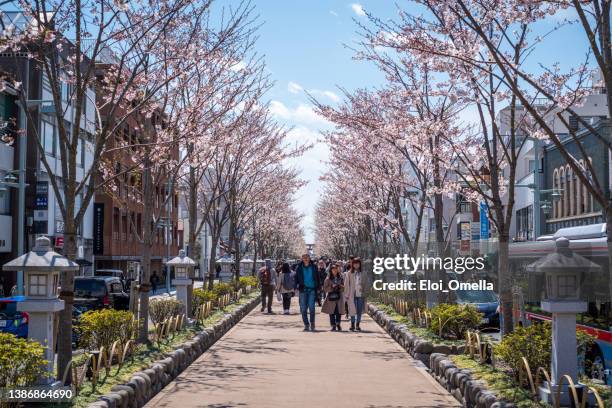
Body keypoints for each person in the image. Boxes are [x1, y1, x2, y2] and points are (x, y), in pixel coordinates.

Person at [295, 253, 321, 331]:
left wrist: (319, 287)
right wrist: (295, 287)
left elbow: (317, 277)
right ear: (302, 259)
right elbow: (296, 278)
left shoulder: (314, 267)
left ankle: (312, 323)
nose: (306, 259)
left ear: (309, 258)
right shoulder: (299, 268)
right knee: (303, 308)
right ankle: (306, 324)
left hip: (312, 290)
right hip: (303, 290)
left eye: (307, 257)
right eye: (304, 258)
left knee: (312, 308)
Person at [321, 263, 345, 331]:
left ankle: (338, 324)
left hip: (339, 297)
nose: (334, 271)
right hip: (331, 297)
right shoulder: (328, 279)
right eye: (333, 270)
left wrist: (340, 287)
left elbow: (344, 288)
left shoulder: (340, 278)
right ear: (331, 270)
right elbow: (325, 289)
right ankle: (333, 325)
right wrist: (332, 287)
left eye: (335, 270)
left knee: (338, 311)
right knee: (331, 312)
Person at [344, 257, 364, 331]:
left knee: (359, 310)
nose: (356, 265)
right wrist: (346, 294)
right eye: (354, 263)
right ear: (352, 264)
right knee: (352, 310)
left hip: (360, 294)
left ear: (360, 264)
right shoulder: (349, 273)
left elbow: (366, 283)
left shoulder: (363, 273)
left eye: (357, 263)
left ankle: (358, 324)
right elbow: (346, 284)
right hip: (351, 294)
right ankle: (352, 324)